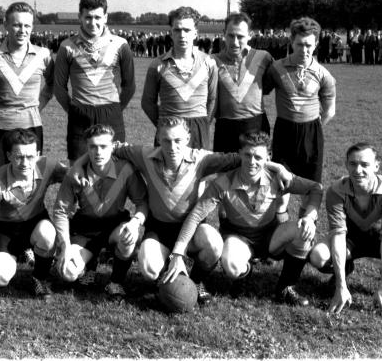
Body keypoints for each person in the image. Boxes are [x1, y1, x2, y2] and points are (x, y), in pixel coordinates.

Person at [111, 116, 290, 304]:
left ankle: (196, 281)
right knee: (148, 269)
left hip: (192, 228)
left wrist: (278, 167)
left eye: (178, 140)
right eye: (167, 140)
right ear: (158, 138)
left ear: (187, 138)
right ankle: (169, 278)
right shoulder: (144, 155)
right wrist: (81, 163)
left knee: (214, 244)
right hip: (159, 229)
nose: (172, 147)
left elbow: (245, 158)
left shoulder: (201, 159)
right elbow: (111, 146)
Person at [163, 132, 323, 306]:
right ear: (239, 154)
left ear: (268, 157)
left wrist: (309, 216)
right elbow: (195, 217)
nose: (252, 162)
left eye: (258, 157)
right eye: (247, 155)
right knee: (231, 265)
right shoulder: (222, 183)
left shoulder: (277, 176)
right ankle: (245, 272)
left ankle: (285, 288)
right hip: (239, 237)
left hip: (272, 236)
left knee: (303, 230)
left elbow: (316, 188)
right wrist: (178, 252)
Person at [309, 142, 382, 316]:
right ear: (346, 164)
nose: (358, 170)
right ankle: (344, 269)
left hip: (378, 237)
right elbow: (338, 235)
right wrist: (341, 286)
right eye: (353, 164)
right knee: (318, 256)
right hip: (350, 239)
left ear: (376, 166)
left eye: (365, 165)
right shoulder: (336, 191)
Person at [0, 129, 68, 306]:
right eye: (19, 157)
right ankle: (11, 255)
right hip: (5, 231)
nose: (25, 163)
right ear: (8, 155)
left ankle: (39, 278)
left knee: (47, 233)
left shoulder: (47, 165)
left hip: (35, 224)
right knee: (0, 278)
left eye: (30, 157)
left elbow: (75, 174)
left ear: (38, 155)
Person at [52, 124, 149, 298]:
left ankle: (115, 282)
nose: (98, 152)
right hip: (85, 228)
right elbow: (60, 211)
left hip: (114, 224)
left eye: (103, 146)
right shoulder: (76, 174)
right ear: (86, 148)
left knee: (129, 236)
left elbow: (142, 203)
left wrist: (135, 223)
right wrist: (65, 245)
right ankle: (90, 263)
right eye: (93, 147)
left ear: (112, 147)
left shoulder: (125, 169)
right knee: (67, 272)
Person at [54, 0, 136, 163]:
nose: (93, 23)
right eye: (88, 17)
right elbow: (59, 87)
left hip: (111, 113)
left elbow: (129, 86)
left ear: (106, 17)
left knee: (115, 169)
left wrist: (115, 109)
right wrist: (74, 110)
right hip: (79, 115)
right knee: (78, 171)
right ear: (80, 17)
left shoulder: (121, 44)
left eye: (98, 17)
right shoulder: (66, 47)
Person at [0, 1, 54, 177]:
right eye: (17, 25)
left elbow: (52, 84)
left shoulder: (44, 55)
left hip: (31, 129)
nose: (22, 30)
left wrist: (38, 106)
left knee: (28, 183)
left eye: (27, 25)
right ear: (6, 25)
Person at [264, 16, 336, 186]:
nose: (304, 50)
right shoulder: (276, 68)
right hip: (284, 130)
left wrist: (315, 126)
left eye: (309, 45)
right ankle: (280, 213)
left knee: (312, 187)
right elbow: (259, 91)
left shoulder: (324, 74)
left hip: (312, 133)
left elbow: (330, 110)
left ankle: (307, 214)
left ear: (317, 43)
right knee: (281, 185)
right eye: (300, 45)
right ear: (291, 41)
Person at [141, 6, 218, 150]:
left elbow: (213, 99)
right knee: (166, 172)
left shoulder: (209, 62)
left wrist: (203, 124)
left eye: (187, 30)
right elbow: (147, 103)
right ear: (171, 33)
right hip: (168, 130)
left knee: (198, 172)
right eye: (177, 30)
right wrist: (164, 124)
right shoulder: (157, 65)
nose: (182, 35)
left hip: (199, 130)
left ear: (195, 33)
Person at [212, 12, 273, 153]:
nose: (235, 42)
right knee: (224, 173)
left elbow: (272, 85)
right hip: (225, 128)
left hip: (256, 126)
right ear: (223, 34)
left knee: (255, 172)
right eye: (231, 35)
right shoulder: (211, 61)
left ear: (250, 35)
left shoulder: (264, 57)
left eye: (240, 36)